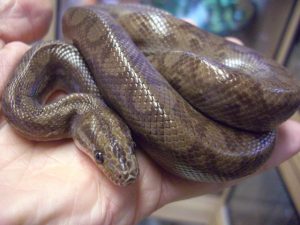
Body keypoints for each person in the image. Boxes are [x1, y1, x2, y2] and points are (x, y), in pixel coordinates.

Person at [0, 1, 299, 224]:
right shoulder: (35, 106)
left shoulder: (74, 98)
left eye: (130, 145)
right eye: (100, 157)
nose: (127, 172)